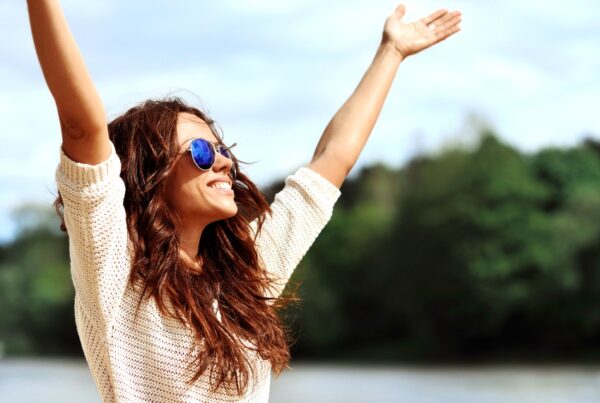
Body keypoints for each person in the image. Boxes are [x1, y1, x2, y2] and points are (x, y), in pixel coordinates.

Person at [27, 1, 461, 401]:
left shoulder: (244, 273)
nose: (221, 163)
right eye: (200, 152)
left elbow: (333, 160)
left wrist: (392, 52)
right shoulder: (114, 271)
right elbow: (82, 128)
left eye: (223, 151)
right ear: (148, 176)